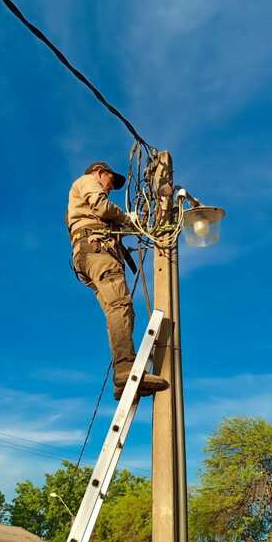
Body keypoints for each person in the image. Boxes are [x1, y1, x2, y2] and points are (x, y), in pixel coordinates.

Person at [67, 161, 168, 399]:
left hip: (87, 254)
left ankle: (123, 380)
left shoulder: (79, 202)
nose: (110, 187)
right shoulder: (87, 181)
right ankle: (125, 370)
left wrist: (129, 225)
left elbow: (101, 217)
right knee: (121, 306)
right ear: (99, 172)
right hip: (97, 250)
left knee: (118, 310)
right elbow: (102, 208)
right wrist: (125, 219)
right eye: (111, 181)